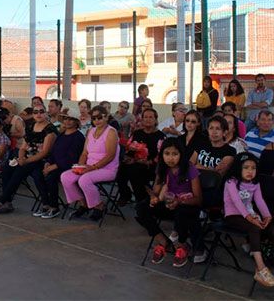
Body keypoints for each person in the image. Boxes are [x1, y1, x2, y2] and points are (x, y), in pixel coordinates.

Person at [224, 153, 274, 287]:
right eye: (246, 168)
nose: (250, 171)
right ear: (238, 168)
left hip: (251, 215)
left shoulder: (255, 183)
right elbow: (237, 202)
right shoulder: (231, 182)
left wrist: (267, 216)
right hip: (233, 215)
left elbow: (259, 201)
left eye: (253, 168)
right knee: (255, 228)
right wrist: (250, 218)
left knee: (273, 229)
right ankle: (260, 268)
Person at [135, 138, 202, 267]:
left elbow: (198, 199)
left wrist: (179, 201)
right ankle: (163, 241)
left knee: (181, 212)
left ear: (181, 155)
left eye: (175, 154)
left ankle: (182, 246)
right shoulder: (162, 167)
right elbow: (156, 190)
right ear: (162, 155)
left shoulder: (189, 168)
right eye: (167, 154)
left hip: (186, 205)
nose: (171, 158)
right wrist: (154, 198)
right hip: (168, 202)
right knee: (141, 207)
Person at [0, 105, 58, 214]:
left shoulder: (50, 130)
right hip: (27, 157)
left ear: (46, 113)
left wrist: (25, 161)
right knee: (7, 169)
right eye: (35, 112)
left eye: (41, 111)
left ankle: (1, 201)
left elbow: (44, 152)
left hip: (42, 160)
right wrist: (21, 157)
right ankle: (8, 202)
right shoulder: (31, 126)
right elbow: (23, 147)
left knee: (20, 170)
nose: (38, 114)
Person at [61, 106, 121, 222]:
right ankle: (84, 204)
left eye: (99, 117)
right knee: (66, 177)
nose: (96, 121)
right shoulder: (91, 131)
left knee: (84, 180)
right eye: (94, 118)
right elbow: (84, 153)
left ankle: (98, 206)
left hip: (107, 169)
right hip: (89, 167)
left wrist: (92, 168)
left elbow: (110, 156)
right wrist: (80, 166)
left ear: (106, 117)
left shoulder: (111, 132)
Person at [32, 111, 85, 219]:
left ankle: (54, 207)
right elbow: (54, 151)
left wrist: (54, 166)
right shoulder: (61, 135)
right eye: (65, 119)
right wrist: (48, 163)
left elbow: (72, 158)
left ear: (76, 122)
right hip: (54, 164)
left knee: (51, 178)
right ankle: (45, 204)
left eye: (71, 119)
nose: (67, 121)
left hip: (67, 167)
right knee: (37, 175)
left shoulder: (78, 137)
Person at [117, 108, 166, 206]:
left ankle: (142, 200)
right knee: (122, 168)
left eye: (151, 117)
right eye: (145, 117)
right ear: (142, 119)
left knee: (134, 170)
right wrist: (128, 158)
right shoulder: (137, 133)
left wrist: (146, 162)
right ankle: (125, 194)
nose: (148, 119)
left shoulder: (161, 136)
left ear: (155, 120)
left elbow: (161, 157)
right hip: (135, 163)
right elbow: (129, 149)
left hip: (151, 166)